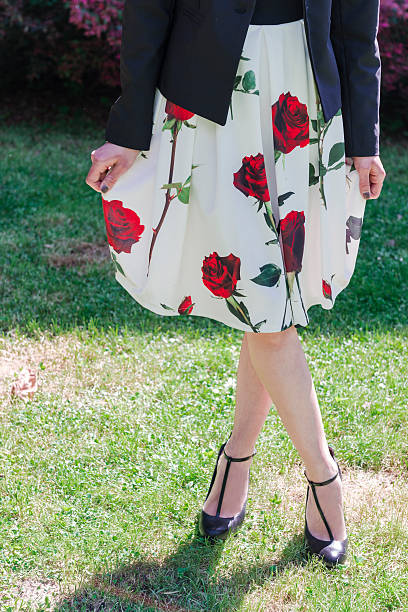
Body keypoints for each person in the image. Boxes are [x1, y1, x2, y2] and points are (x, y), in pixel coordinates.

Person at [86, 0, 386, 566]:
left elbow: (355, 21)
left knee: (268, 309)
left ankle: (235, 462)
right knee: (267, 310)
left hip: (304, 92)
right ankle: (324, 479)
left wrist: (365, 137)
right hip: (214, 98)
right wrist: (129, 128)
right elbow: (149, 12)